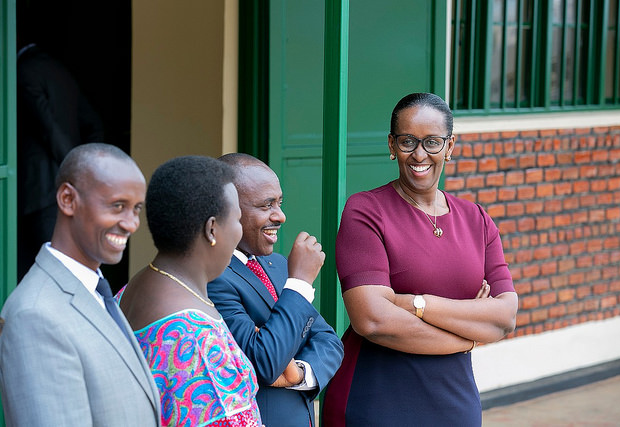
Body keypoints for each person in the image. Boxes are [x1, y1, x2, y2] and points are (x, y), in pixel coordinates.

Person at [322, 92, 518, 426]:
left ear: (450, 146)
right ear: (391, 144)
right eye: (408, 141)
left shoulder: (477, 219)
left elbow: (503, 316)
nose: (419, 154)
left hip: (455, 404)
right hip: (376, 402)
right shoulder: (366, 211)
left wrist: (415, 304)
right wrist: (469, 334)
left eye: (432, 142)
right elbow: (372, 320)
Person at [0, 143, 160, 426]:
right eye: (117, 206)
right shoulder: (35, 316)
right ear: (67, 199)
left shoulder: (93, 290)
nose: (132, 224)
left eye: (136, 209)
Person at [116, 156, 262, 427]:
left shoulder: (129, 292)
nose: (240, 231)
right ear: (212, 229)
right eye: (237, 219)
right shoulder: (197, 340)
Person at [207, 153, 344, 427]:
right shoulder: (213, 277)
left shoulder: (278, 265)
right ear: (226, 211)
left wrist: (299, 373)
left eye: (279, 203)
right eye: (266, 205)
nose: (280, 216)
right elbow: (265, 362)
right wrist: (300, 284)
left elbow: (329, 341)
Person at [16, 38, 104, 281]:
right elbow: (93, 124)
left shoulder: (24, 71)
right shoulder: (60, 71)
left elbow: (48, 128)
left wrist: (75, 171)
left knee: (47, 268)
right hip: (63, 189)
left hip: (40, 190)